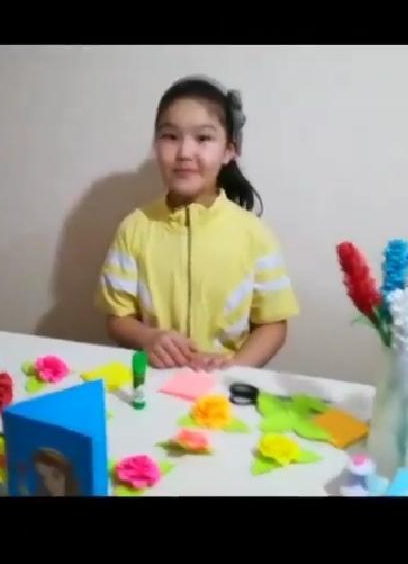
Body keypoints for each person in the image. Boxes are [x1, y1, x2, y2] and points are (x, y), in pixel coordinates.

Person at [96, 75, 299, 370]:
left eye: (203, 138)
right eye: (170, 137)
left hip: (223, 390)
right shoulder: (134, 227)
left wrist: (235, 368)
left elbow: (273, 324)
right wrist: (149, 338)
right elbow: (117, 318)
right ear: (156, 144)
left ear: (229, 151)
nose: (184, 153)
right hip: (155, 383)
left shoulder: (255, 236)